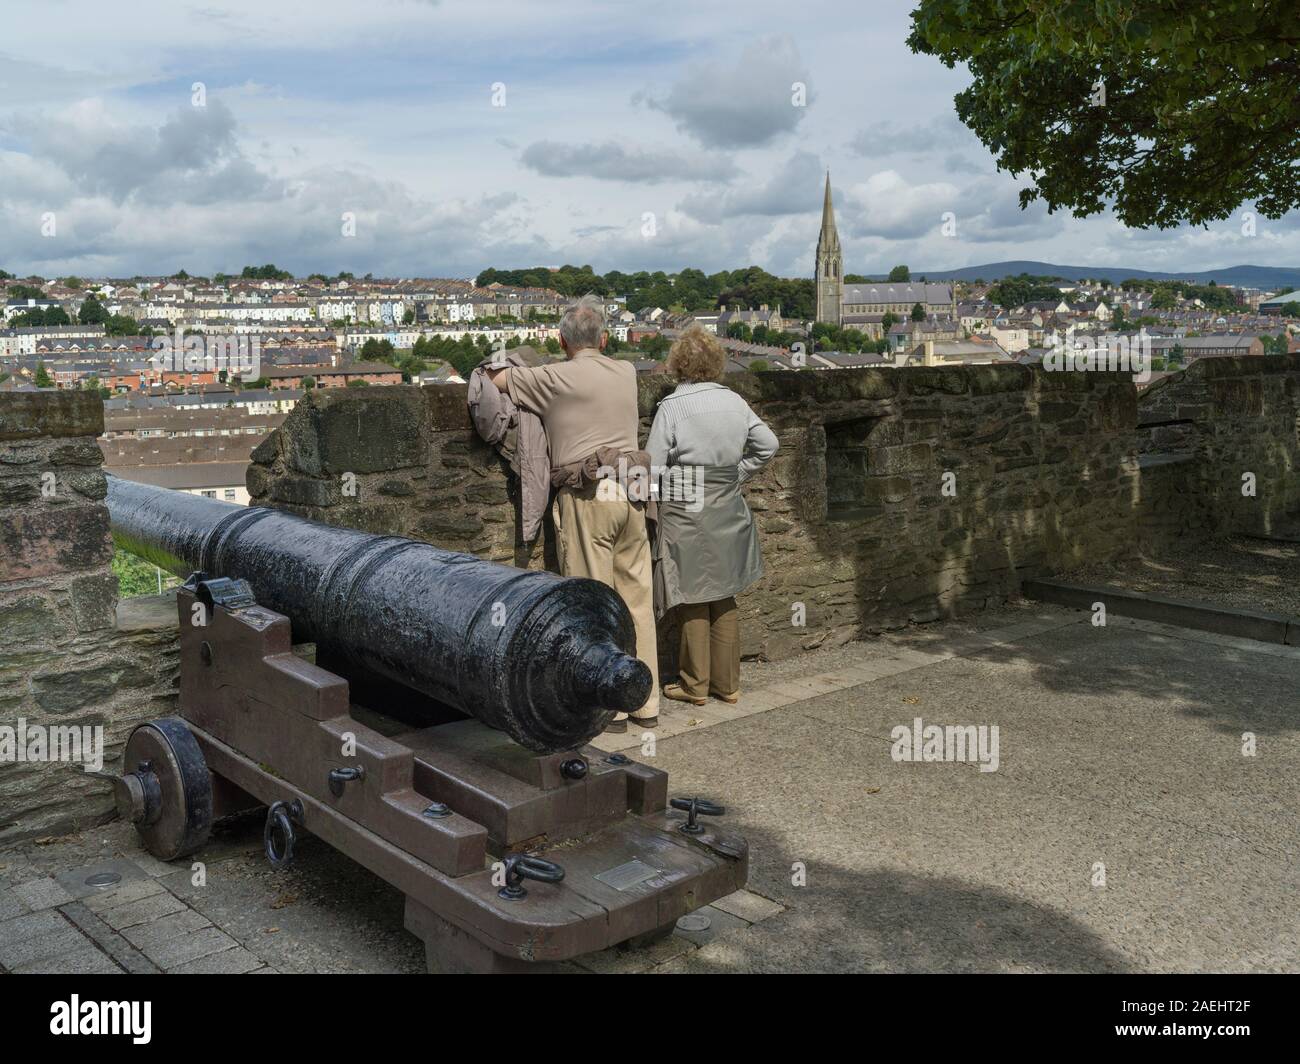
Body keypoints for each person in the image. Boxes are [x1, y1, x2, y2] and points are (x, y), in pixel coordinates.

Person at [487, 295, 659, 732]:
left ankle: (611, 708)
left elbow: (498, 379)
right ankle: (646, 702)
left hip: (589, 496)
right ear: (603, 338)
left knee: (594, 604)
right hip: (633, 490)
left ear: (561, 339)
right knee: (636, 598)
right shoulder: (625, 371)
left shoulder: (553, 377)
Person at [647, 327, 778, 706]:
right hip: (726, 499)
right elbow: (769, 444)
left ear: (678, 364)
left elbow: (653, 466)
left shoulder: (672, 406)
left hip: (685, 501)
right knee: (723, 593)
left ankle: (694, 684)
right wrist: (736, 474)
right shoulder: (735, 401)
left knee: (691, 594)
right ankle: (728, 685)